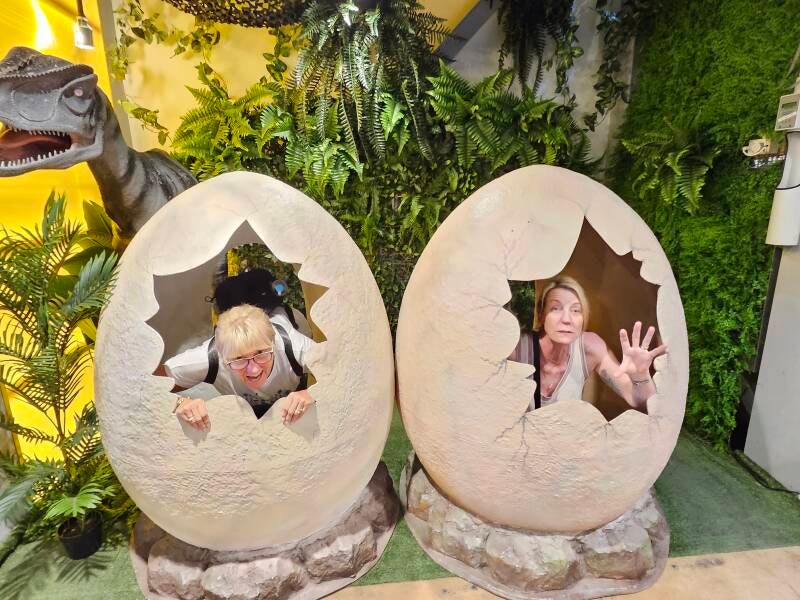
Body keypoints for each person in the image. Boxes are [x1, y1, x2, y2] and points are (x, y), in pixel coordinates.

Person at [509, 276, 667, 412]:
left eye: (576, 310)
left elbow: (638, 400)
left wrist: (641, 376)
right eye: (556, 308)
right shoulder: (518, 349)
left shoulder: (590, 347)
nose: (567, 319)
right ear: (541, 314)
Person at [156, 303, 315, 431]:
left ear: (273, 344)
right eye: (238, 360)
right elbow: (148, 383)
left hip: (293, 321)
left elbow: (331, 373)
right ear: (222, 355)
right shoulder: (208, 359)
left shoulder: (296, 348)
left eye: (261, 353)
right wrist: (179, 403)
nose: (254, 370)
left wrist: (311, 393)